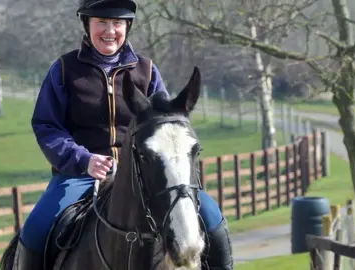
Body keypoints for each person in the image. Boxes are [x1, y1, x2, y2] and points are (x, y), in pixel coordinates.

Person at [13, 0, 233, 269]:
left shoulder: (147, 70)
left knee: (212, 219)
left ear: (127, 27)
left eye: (117, 23)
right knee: (36, 229)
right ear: (87, 24)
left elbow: (164, 123)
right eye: (101, 22)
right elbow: (47, 126)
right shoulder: (63, 70)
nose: (110, 31)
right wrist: (84, 160)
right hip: (79, 176)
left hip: (143, 176)